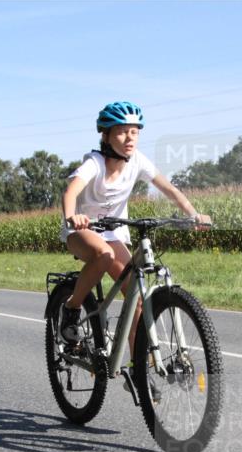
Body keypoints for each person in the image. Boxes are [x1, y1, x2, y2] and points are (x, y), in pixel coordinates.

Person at [59, 101, 210, 350]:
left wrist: (194, 214)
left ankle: (136, 365)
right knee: (104, 254)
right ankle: (72, 307)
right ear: (106, 135)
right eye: (121, 131)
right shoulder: (94, 163)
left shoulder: (137, 161)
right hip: (82, 230)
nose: (129, 138)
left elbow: (168, 189)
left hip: (114, 231)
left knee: (136, 299)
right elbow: (70, 192)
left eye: (134, 132)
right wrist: (72, 216)